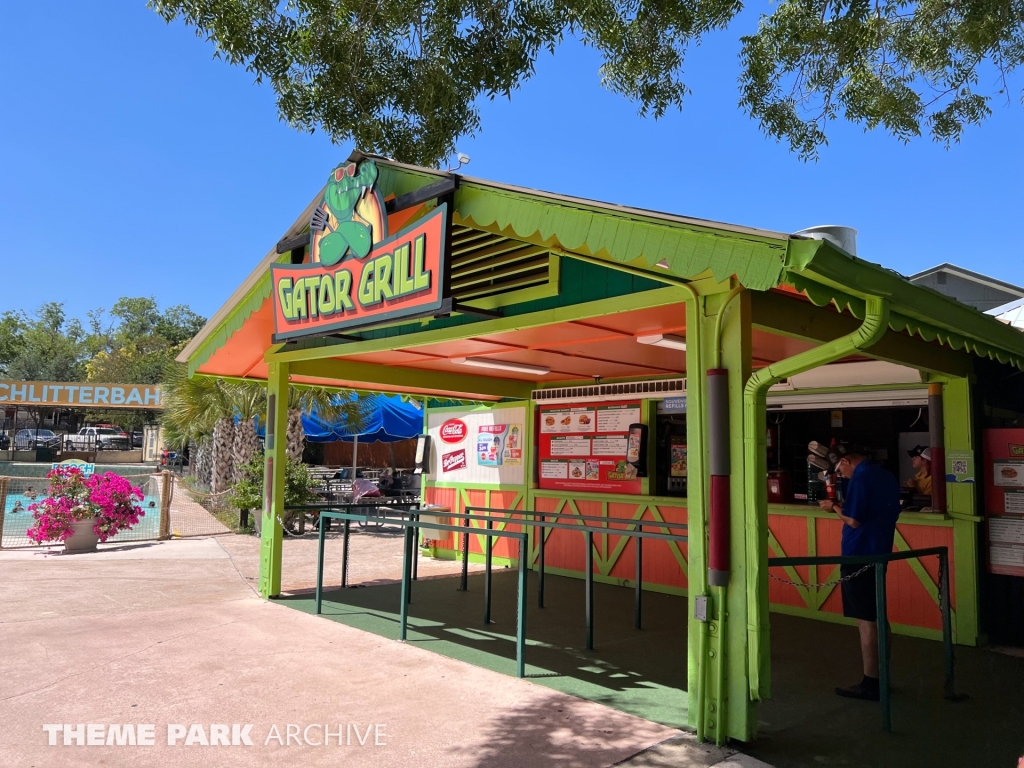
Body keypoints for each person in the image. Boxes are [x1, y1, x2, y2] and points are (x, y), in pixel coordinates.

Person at [818, 444, 901, 701]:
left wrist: (832, 507)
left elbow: (854, 520)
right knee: (878, 614)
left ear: (845, 460)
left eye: (839, 469)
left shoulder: (861, 478)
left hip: (859, 554)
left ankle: (871, 683)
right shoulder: (884, 475)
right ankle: (882, 676)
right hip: (880, 550)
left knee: (866, 620)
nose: (840, 474)